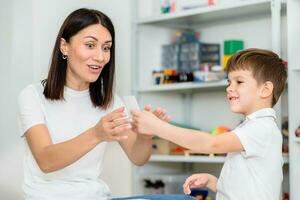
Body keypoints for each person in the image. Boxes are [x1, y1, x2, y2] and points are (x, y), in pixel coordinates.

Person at [17, 8, 170, 200]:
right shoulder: (32, 96)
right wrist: (96, 134)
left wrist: (145, 136)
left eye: (106, 48)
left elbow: (138, 157)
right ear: (64, 46)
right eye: (90, 45)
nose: (100, 57)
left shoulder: (111, 100)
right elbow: (46, 161)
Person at [132, 48, 287, 200]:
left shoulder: (261, 128)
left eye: (239, 81)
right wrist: (214, 183)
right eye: (229, 82)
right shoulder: (251, 127)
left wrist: (157, 127)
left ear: (265, 89)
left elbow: (211, 144)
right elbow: (247, 185)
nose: (229, 88)